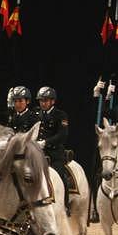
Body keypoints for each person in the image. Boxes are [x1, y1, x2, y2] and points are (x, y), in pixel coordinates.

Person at [35, 85, 72, 214]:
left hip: (55, 153)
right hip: (38, 152)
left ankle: (65, 205)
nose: (43, 103)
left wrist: (45, 142)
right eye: (41, 100)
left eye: (45, 100)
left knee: (60, 176)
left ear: (52, 101)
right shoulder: (36, 114)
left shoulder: (61, 115)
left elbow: (62, 135)